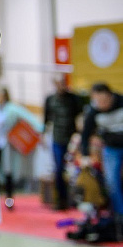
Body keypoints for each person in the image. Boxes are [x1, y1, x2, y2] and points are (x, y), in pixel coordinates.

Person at [81, 82, 123, 237]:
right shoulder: (93, 111)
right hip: (111, 148)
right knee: (111, 182)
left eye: (104, 101)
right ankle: (119, 217)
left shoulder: (121, 102)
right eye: (97, 101)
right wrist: (85, 155)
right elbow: (85, 134)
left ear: (110, 95)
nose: (101, 105)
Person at [0, 87, 43, 209]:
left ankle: (9, 199)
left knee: (7, 170)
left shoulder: (12, 108)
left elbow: (30, 118)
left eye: (0, 95)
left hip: (6, 143)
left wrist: (40, 130)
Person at [43, 76, 84, 209]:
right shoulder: (50, 99)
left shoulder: (74, 99)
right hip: (57, 138)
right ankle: (61, 199)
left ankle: (76, 199)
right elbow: (46, 119)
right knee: (59, 169)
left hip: (72, 139)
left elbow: (80, 117)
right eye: (58, 83)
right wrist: (42, 135)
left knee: (75, 170)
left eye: (63, 83)